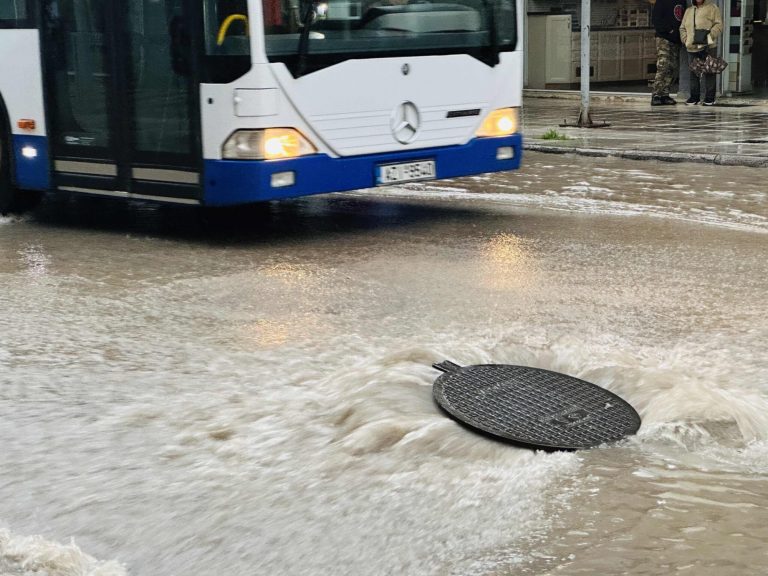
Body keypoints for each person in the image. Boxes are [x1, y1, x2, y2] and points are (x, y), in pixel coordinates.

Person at [680, 0, 723, 105]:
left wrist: (709, 37)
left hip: (708, 46)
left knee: (710, 72)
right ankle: (694, 97)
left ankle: (710, 98)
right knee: (693, 73)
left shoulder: (713, 8)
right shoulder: (689, 10)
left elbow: (719, 25)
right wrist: (685, 40)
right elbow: (682, 28)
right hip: (692, 47)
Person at [651, 0, 685, 105]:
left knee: (672, 67)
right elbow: (656, 20)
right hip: (663, 38)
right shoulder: (662, 2)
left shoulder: (682, 2)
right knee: (663, 65)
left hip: (676, 40)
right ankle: (656, 94)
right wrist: (669, 30)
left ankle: (665, 94)